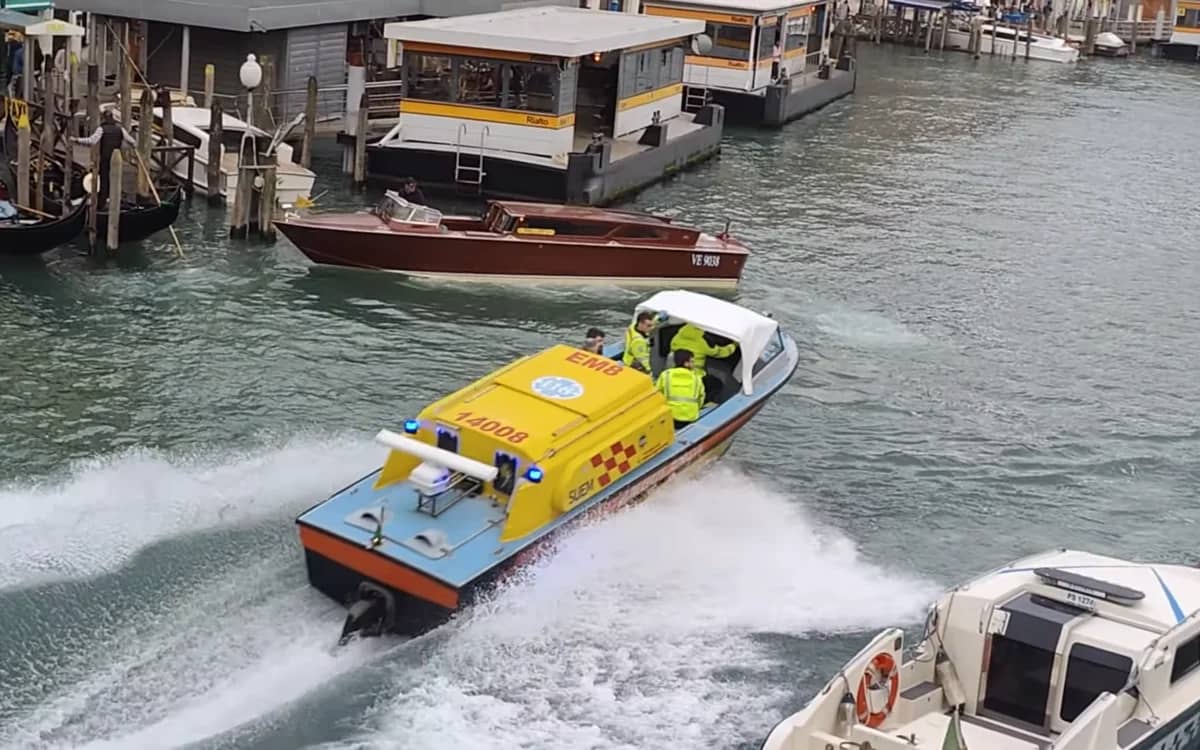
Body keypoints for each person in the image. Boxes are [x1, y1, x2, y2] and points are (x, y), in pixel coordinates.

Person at [71, 110, 136, 209]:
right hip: (116, 158)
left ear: (104, 118)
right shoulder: (120, 129)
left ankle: (103, 201)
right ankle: (112, 198)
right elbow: (132, 141)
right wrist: (131, 146)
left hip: (105, 157)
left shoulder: (101, 129)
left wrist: (77, 140)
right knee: (114, 178)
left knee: (104, 178)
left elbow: (92, 141)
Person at [669, 322, 736, 402]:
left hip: (675, 371)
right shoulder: (704, 341)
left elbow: (672, 347)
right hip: (696, 374)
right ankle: (707, 402)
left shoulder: (678, 336)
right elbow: (721, 353)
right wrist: (734, 345)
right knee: (716, 384)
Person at [656, 349, 705, 430]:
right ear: (686, 363)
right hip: (690, 417)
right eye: (692, 361)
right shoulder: (696, 378)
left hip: (670, 416)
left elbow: (657, 394)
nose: (693, 364)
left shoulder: (666, 375)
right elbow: (701, 397)